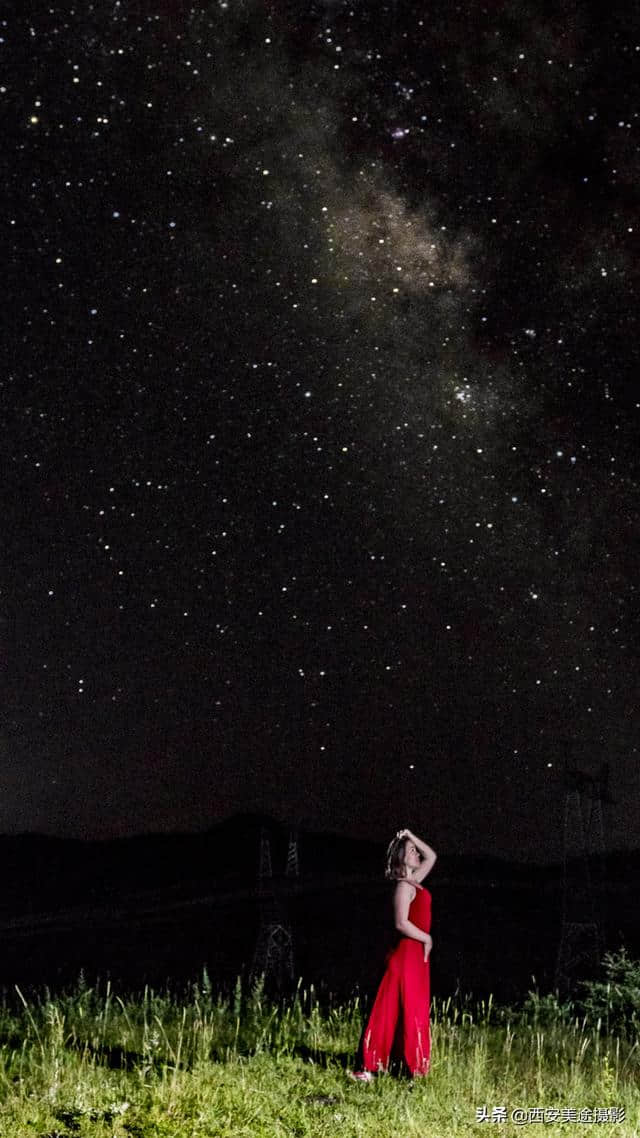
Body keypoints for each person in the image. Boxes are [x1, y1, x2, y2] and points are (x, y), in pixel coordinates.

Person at [349, 827, 436, 1081]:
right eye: (411, 851)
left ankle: (409, 1066)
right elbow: (401, 922)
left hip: (416, 957)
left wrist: (411, 836)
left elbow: (432, 856)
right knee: (391, 1008)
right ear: (401, 858)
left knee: (413, 1010)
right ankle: (370, 1065)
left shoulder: (415, 881)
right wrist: (426, 937)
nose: (417, 853)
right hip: (406, 955)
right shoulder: (403, 886)